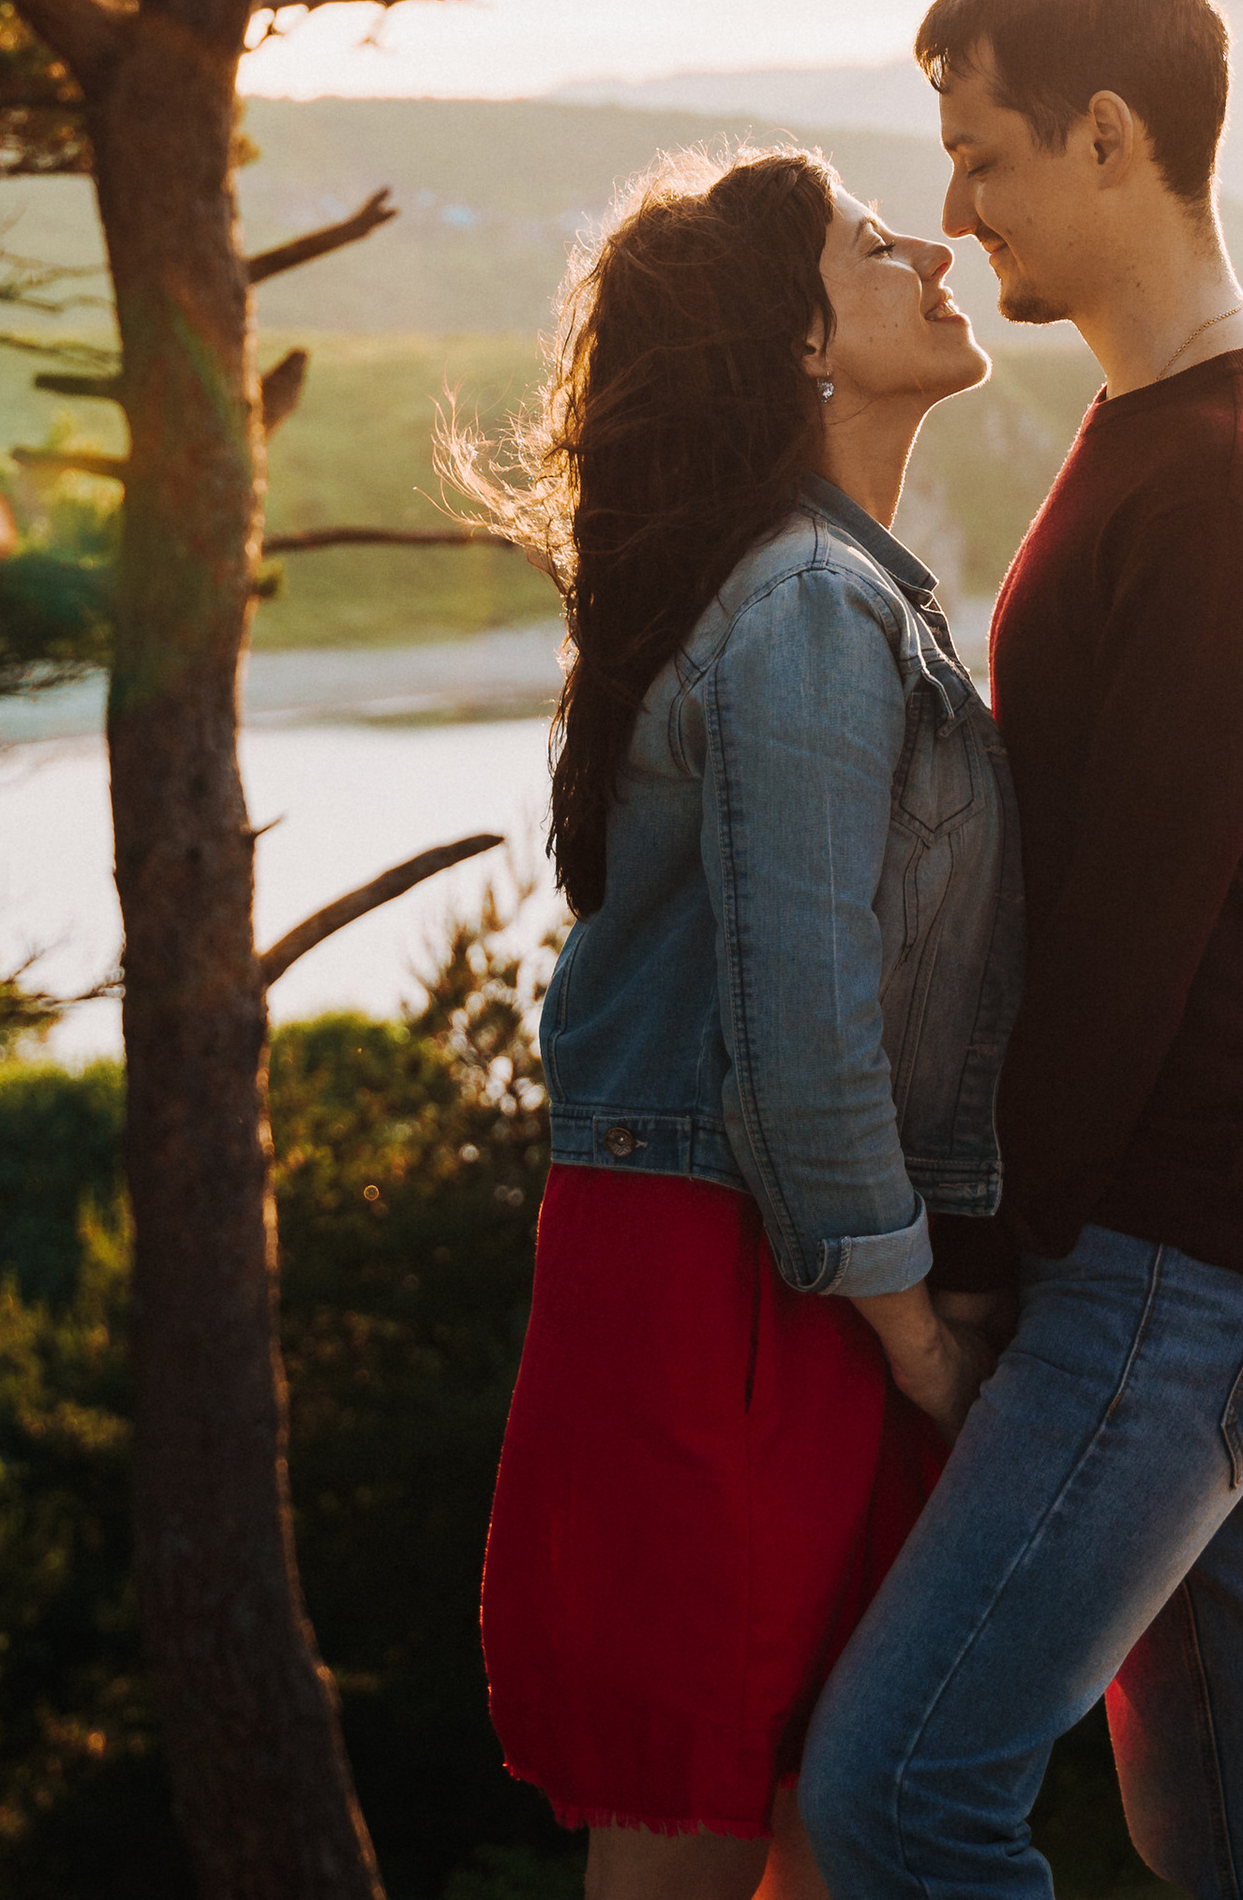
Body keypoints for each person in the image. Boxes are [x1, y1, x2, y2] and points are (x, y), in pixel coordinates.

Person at [799, 0, 1243, 1900]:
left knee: (895, 1793)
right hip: (1216, 1234)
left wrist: (976, 1257)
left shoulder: (1218, 472)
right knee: (1240, 1829)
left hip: (1180, 1248)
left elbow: (1121, 945)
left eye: (983, 156)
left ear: (1113, 135)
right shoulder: (1170, 425)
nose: (957, 214)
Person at [469, 144, 1025, 1900]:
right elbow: (808, 1033)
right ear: (803, 346)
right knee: (698, 1834)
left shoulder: (827, 590)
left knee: (807, 1823)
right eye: (872, 243)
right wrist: (925, 1346)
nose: (933, 246)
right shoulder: (802, 608)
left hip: (757, 1261)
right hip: (735, 1279)